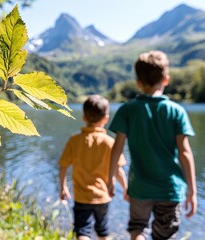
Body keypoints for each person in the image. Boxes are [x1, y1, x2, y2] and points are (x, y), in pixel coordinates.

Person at [107, 50, 197, 240]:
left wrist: (109, 179)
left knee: (138, 229)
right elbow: (185, 153)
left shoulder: (127, 110)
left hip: (140, 187)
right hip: (170, 188)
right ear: (166, 79)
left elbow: (117, 148)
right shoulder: (176, 111)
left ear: (138, 82)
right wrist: (192, 191)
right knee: (165, 235)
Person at [59, 94, 128, 240]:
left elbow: (63, 166)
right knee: (103, 230)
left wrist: (63, 187)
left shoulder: (74, 140)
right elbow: (118, 170)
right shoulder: (110, 143)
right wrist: (126, 189)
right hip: (102, 196)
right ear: (106, 118)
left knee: (83, 231)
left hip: (81, 196)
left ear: (84, 117)